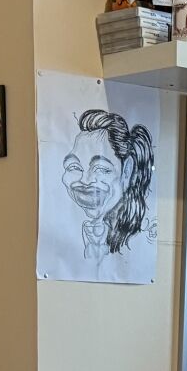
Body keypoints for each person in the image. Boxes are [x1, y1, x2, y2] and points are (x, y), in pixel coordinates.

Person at [61, 109, 153, 266]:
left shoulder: (139, 236)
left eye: (101, 169)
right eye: (74, 166)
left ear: (127, 171)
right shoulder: (79, 232)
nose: (85, 180)